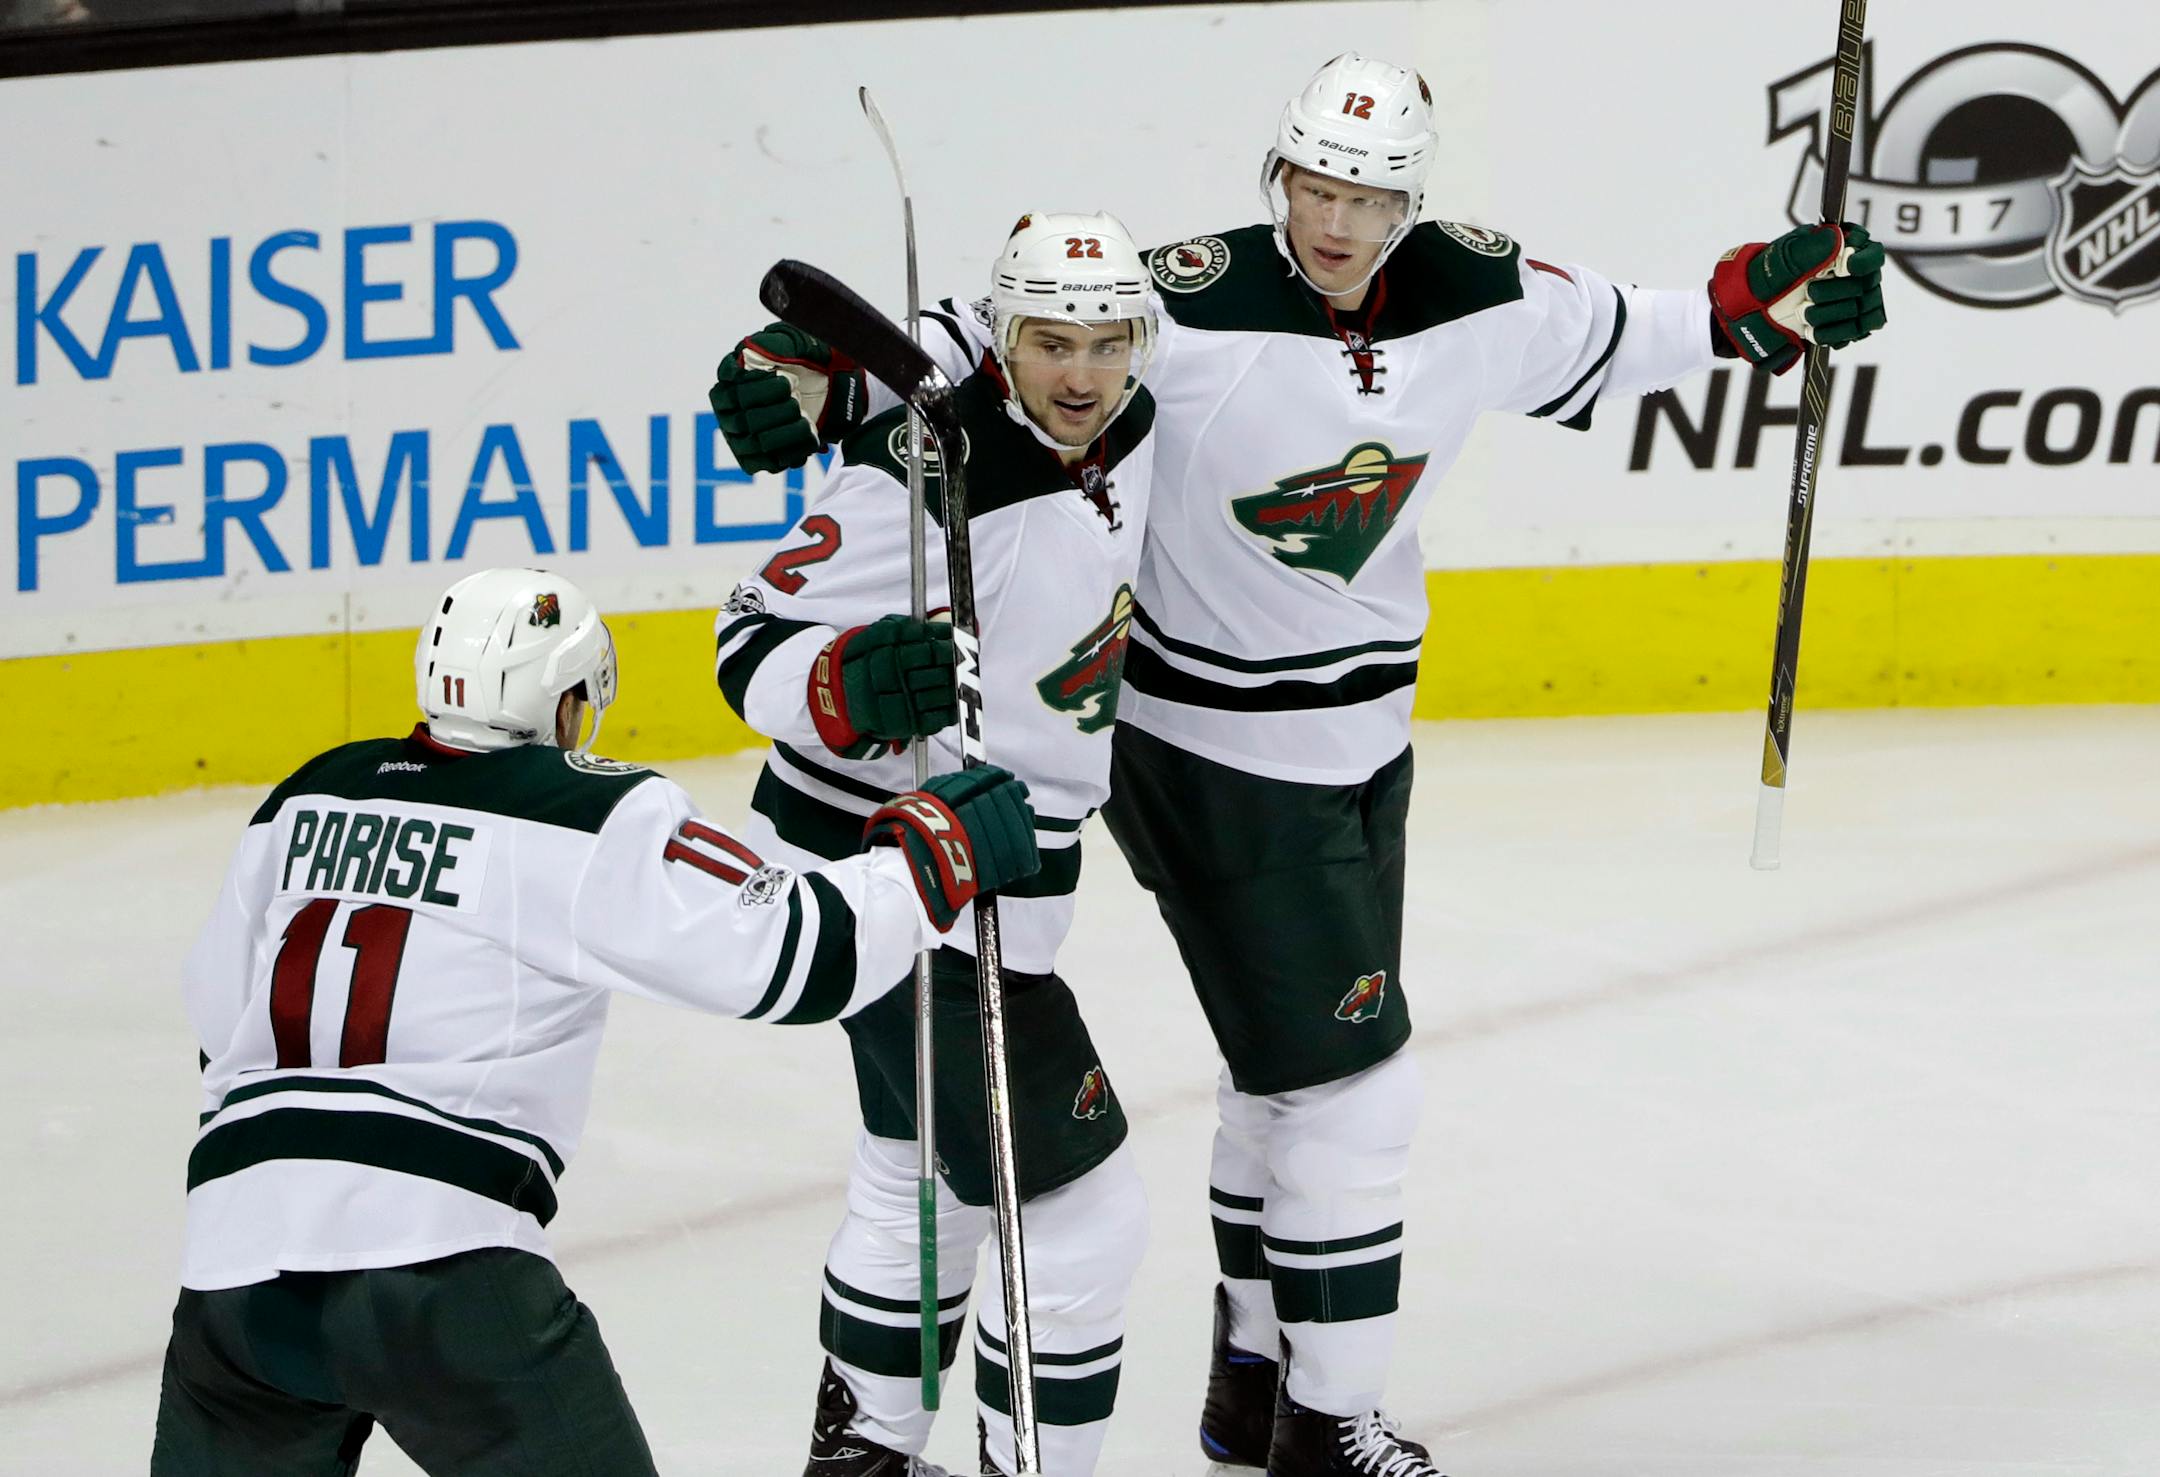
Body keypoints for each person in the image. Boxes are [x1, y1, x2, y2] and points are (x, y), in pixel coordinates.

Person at [709, 53, 1889, 1477]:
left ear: (1412, 200)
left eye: (1369, 195)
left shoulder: (1473, 286)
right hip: (1215, 756)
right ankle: (1322, 1426)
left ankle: (1243, 1396)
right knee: (1350, 1091)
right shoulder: (1178, 306)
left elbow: (1638, 328)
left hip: (1354, 745)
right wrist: (816, 368)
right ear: (1278, 177)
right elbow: (977, 336)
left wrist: (1758, 300)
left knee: (1264, 1091)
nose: (1335, 222)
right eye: (1314, 186)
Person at [150, 566, 1039, 1477]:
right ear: (568, 701)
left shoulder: (305, 795)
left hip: (234, 1274)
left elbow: (221, 1020)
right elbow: (790, 956)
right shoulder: (577, 804)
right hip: (443, 1272)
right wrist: (929, 860)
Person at [711, 212, 1159, 1477]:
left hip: (977, 871)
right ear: (1007, 342)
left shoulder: (1127, 409)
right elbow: (745, 640)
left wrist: (840, 357)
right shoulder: (919, 474)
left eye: (1108, 340)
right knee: (1080, 1210)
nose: (1080, 373)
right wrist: (847, 685)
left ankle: (861, 1456)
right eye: (1050, 342)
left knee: (919, 1172)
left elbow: (940, 327)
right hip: (902, 871)